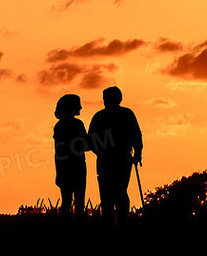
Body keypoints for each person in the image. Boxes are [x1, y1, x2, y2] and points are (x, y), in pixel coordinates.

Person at [88, 86, 142, 225]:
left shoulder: (125, 114)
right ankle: (112, 223)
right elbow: (91, 140)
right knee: (110, 194)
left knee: (119, 192)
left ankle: (120, 222)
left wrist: (138, 153)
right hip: (109, 159)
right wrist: (99, 152)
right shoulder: (100, 116)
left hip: (121, 158)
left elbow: (136, 135)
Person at [53, 94, 89, 221]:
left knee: (67, 201)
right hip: (76, 167)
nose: (80, 108)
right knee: (78, 202)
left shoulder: (59, 126)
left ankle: (65, 224)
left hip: (63, 167)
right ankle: (76, 225)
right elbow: (85, 145)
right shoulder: (77, 125)